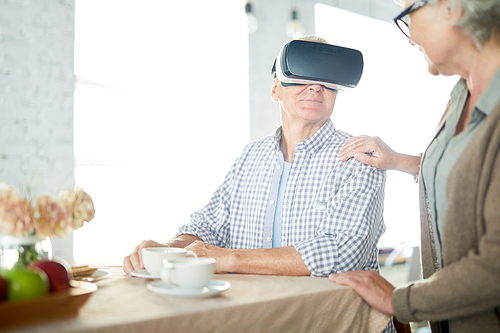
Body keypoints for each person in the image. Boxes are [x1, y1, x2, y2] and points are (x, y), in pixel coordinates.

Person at [123, 36, 387, 278]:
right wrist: (167, 249)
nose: (316, 86)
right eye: (302, 74)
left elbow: (341, 252)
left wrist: (230, 259)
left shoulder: (360, 158)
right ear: (275, 89)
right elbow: (208, 227)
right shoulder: (250, 156)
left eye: (326, 80)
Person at [328, 0, 500, 332]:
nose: (408, 37)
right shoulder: (460, 96)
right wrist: (398, 161)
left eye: (407, 14)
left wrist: (400, 300)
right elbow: (472, 176)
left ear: (451, 6)